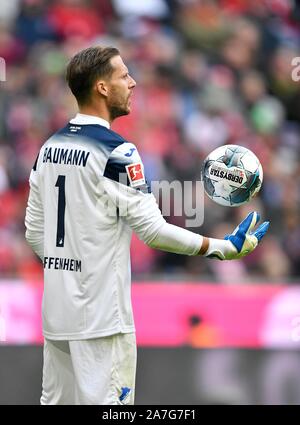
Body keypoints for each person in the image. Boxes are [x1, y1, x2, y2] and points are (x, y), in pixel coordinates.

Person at [24, 46, 269, 405]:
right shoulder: (116, 151)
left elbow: (33, 231)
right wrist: (222, 247)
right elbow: (153, 231)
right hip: (102, 320)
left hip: (58, 314)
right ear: (102, 88)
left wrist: (70, 271)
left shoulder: (49, 147)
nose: (133, 82)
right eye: (124, 75)